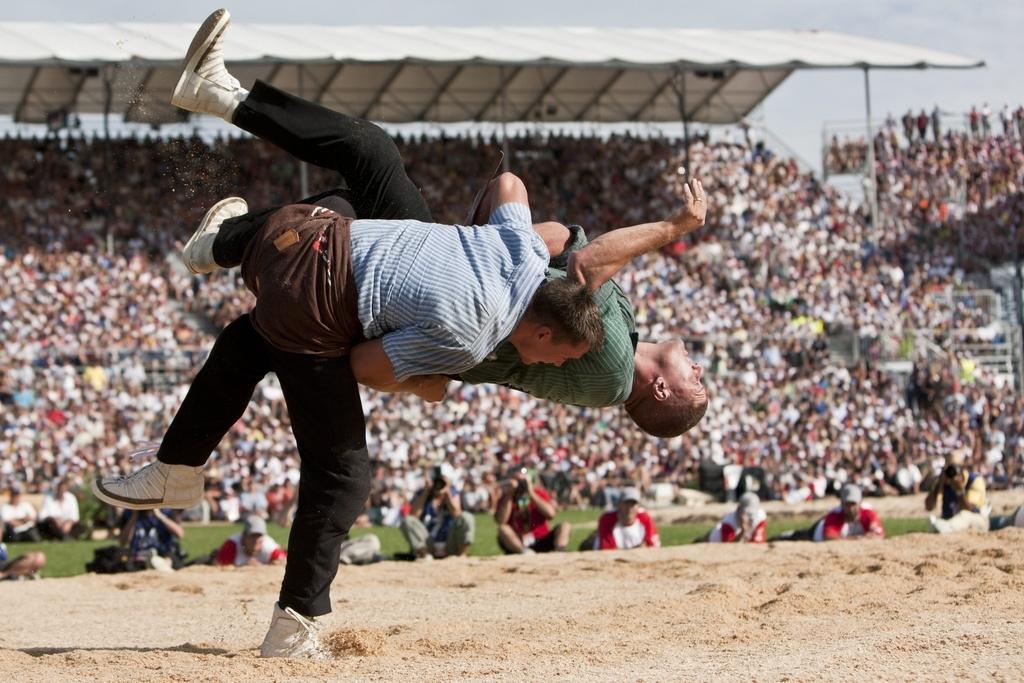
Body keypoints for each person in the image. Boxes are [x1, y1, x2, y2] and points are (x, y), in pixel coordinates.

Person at [93, 9, 607, 662]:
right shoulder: (474, 337)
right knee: (342, 471)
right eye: (556, 355)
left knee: (368, 157)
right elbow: (362, 363)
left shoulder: (524, 252)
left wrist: (467, 245)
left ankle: (219, 234)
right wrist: (426, 383)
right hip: (306, 282)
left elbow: (508, 182)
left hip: (315, 230)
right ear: (538, 327)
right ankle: (292, 624)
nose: (549, 366)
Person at [166, 9, 710, 440]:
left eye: (697, 382)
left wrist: (672, 227)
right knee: (351, 195)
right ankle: (219, 240)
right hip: (448, 278)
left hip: (432, 303)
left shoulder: (612, 367)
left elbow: (580, 257)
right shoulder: (619, 344)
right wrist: (540, 244)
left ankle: (219, 127)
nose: (700, 370)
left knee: (368, 155)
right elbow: (560, 245)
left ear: (660, 391)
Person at [399, 467, 475, 560]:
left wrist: (447, 494)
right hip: (428, 543)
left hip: (450, 543)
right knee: (407, 520)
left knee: (466, 517)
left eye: (442, 481)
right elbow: (413, 517)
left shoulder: (453, 492)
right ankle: (424, 554)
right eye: (437, 481)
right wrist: (426, 492)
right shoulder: (422, 493)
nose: (439, 484)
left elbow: (457, 516)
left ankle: (462, 554)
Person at [495, 467, 570, 554]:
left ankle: (560, 551)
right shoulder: (506, 498)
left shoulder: (538, 493)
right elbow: (501, 520)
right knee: (503, 529)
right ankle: (524, 552)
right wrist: (509, 494)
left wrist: (531, 492)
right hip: (518, 542)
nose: (521, 484)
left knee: (565, 525)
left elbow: (551, 514)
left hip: (541, 539)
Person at [926, 451, 988, 534]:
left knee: (964, 515)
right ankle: (944, 526)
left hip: (977, 519)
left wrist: (959, 490)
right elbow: (928, 507)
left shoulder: (974, 480)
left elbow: (969, 509)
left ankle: (945, 527)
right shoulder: (945, 483)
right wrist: (938, 485)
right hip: (953, 520)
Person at [592, 487, 660, 550]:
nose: (629, 508)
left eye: (633, 504)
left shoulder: (645, 519)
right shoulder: (607, 520)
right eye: (626, 503)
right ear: (619, 504)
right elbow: (606, 550)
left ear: (638, 506)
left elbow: (653, 547)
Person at [119, 508, 186, 571]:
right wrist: (134, 517)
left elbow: (180, 534)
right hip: (138, 556)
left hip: (163, 555)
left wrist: (160, 515)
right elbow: (123, 542)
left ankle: (162, 567)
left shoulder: (166, 512)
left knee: (165, 560)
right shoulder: (129, 513)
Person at [813, 484, 885, 542]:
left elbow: (878, 535)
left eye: (853, 503)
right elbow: (829, 537)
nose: (850, 508)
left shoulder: (868, 514)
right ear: (842, 503)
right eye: (847, 504)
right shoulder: (835, 515)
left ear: (860, 503)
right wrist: (857, 539)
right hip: (817, 529)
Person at [215, 515, 287, 567]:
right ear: (244, 535)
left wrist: (264, 566)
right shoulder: (232, 545)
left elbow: (284, 561)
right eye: (252, 536)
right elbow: (218, 565)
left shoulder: (269, 547)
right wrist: (243, 566)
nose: (256, 540)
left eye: (259, 536)